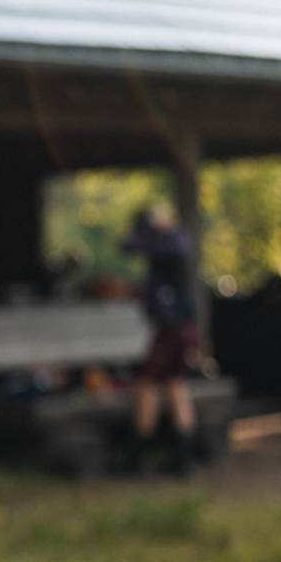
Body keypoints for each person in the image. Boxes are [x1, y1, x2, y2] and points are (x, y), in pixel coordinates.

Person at [120, 202, 201, 475]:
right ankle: (181, 461)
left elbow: (137, 246)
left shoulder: (174, 241)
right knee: (175, 385)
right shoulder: (165, 243)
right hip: (178, 327)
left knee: (145, 385)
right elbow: (130, 247)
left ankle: (137, 458)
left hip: (173, 329)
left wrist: (151, 227)